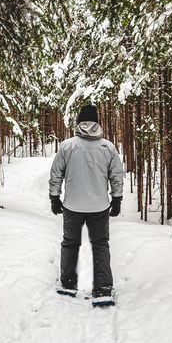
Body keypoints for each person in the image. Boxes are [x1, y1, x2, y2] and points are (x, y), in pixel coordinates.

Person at [48, 104, 124, 307]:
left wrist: (54, 196)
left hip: (72, 205)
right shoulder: (108, 147)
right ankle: (103, 289)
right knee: (100, 245)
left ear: (79, 122)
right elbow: (116, 175)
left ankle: (68, 284)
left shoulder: (67, 146)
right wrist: (117, 198)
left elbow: (56, 173)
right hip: (99, 206)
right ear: (97, 122)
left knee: (70, 243)